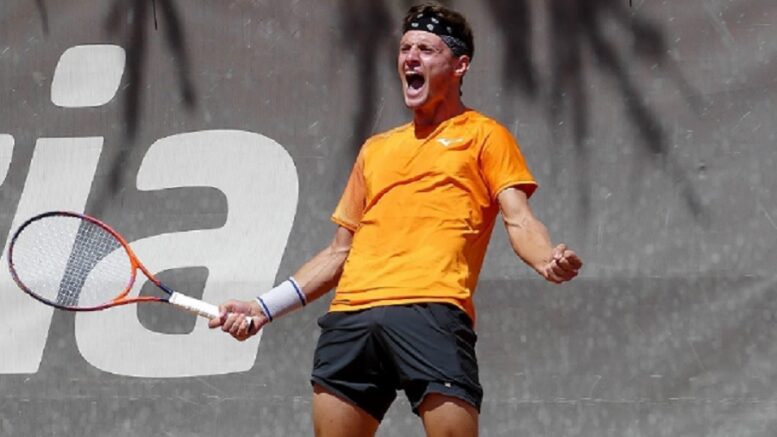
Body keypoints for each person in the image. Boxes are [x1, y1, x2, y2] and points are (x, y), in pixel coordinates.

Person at [209, 3, 582, 436]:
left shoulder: (485, 136)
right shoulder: (375, 150)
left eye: (426, 49)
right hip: (352, 317)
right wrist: (262, 308)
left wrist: (545, 258)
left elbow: (519, 219)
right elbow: (338, 253)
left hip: (431, 311)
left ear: (460, 65)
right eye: (405, 49)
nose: (410, 58)